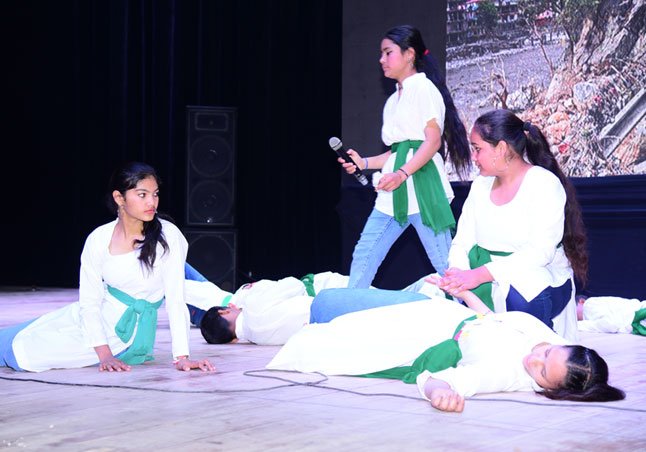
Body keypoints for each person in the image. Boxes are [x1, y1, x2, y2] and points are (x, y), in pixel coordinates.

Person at [0, 162, 215, 373]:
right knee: (39, 327)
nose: (152, 202)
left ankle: (2, 345)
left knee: (29, 354)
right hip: (94, 318)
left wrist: (182, 357)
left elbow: (175, 300)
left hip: (120, 334)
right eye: (142, 195)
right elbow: (89, 301)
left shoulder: (168, 237)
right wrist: (104, 355)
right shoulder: (99, 238)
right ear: (119, 198)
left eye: (155, 194)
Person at [267, 286, 625, 413]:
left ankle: (248, 320)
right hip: (432, 309)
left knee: (322, 310)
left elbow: (445, 381)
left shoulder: (505, 373)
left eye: (543, 371)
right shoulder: (546, 337)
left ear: (552, 389)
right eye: (546, 353)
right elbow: (492, 321)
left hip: (408, 332)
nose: (534, 358)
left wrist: (440, 393)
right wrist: (463, 292)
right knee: (327, 300)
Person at [437, 109, 588, 341]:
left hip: (541, 276)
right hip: (482, 275)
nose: (474, 158)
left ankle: (539, 348)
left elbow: (540, 253)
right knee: (438, 296)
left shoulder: (544, 184)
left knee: (524, 294)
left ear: (501, 148)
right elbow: (462, 241)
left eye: (477, 149)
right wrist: (459, 272)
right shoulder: (480, 186)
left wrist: (479, 275)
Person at [339, 24, 472, 289]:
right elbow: (397, 152)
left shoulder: (424, 89)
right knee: (365, 252)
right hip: (394, 192)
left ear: (409, 54)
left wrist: (401, 174)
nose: (381, 60)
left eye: (388, 53)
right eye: (381, 54)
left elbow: (432, 142)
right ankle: (351, 304)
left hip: (423, 187)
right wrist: (364, 163)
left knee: (446, 264)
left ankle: (473, 310)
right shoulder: (392, 101)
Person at [198, 272, 446, 345]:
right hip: (324, 304)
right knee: (395, 301)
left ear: (231, 340)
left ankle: (436, 293)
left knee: (388, 309)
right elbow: (294, 285)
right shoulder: (252, 304)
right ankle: (438, 289)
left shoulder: (256, 339)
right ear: (224, 312)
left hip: (327, 329)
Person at [577, 294, 646, 335]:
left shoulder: (588, 304)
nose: (572, 316)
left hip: (640, 316)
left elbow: (610, 324)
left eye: (572, 309)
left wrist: (576, 325)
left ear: (581, 301)